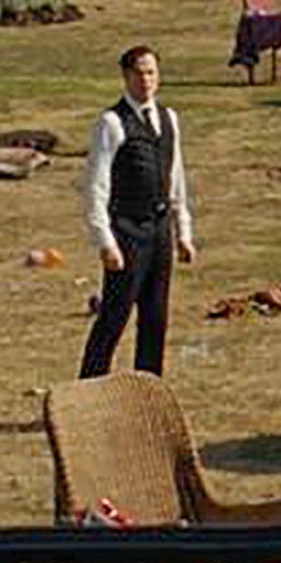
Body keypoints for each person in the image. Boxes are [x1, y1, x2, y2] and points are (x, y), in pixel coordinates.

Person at [77, 44, 195, 377]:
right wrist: (105, 241)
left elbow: (176, 179)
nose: (146, 80)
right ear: (126, 77)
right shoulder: (111, 123)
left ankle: (148, 390)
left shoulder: (169, 119)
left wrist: (182, 232)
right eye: (139, 73)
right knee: (115, 315)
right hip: (126, 231)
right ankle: (90, 388)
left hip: (158, 230)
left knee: (155, 316)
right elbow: (96, 187)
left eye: (151, 72)